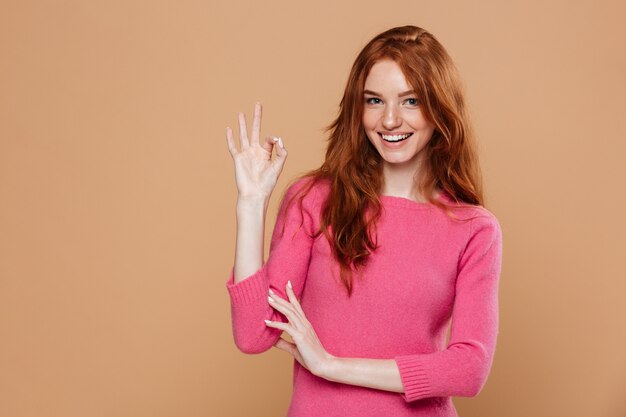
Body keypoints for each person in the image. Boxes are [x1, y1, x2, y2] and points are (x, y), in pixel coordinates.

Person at [224, 25, 503, 417]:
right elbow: (254, 334)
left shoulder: (474, 230)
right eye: (374, 100)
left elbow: (469, 369)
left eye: (410, 101)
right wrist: (251, 205)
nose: (389, 120)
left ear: (439, 109)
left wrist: (331, 367)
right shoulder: (314, 200)